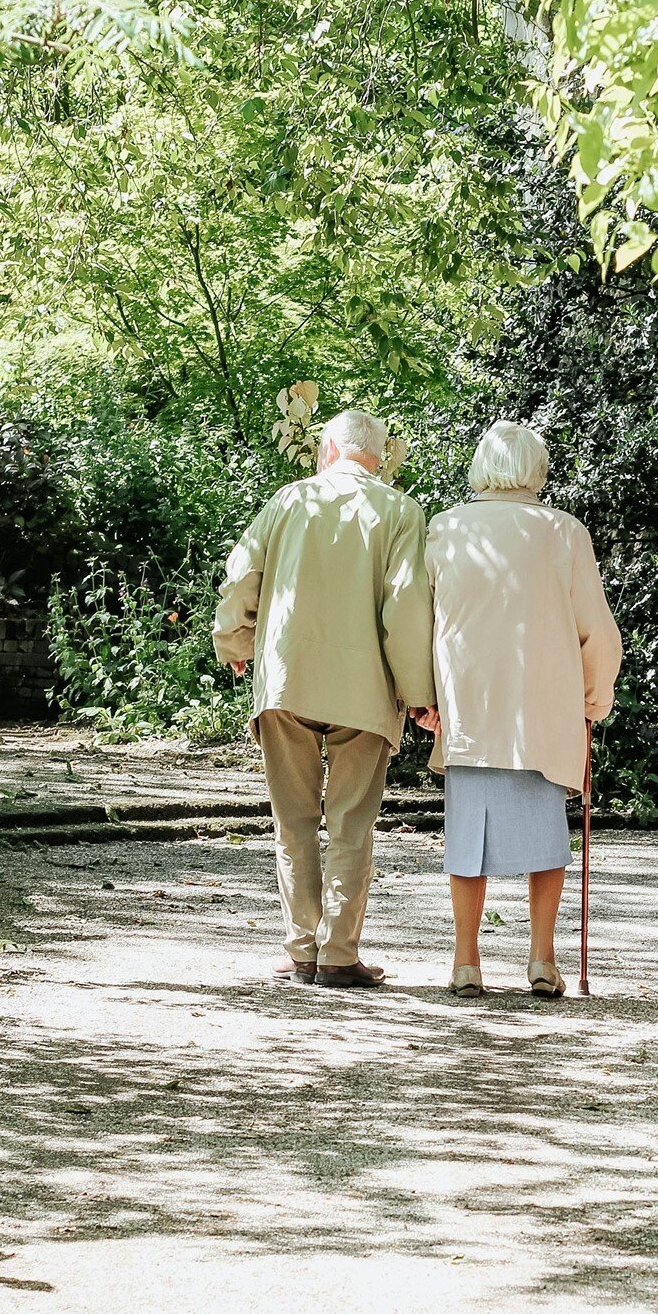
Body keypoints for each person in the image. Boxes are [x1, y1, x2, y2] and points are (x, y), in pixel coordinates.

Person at [213, 409, 435, 988]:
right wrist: (418, 693)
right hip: (365, 690)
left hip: (288, 679)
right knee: (351, 823)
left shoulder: (288, 501)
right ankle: (338, 954)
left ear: (329, 449)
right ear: (378, 457)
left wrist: (234, 639)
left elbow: (243, 576)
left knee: (293, 820)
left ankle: (301, 948)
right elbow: (406, 608)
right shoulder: (401, 512)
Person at [419, 421, 622, 999]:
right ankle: (541, 959)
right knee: (546, 839)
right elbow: (597, 631)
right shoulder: (563, 533)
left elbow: (420, 622)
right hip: (543, 707)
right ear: (538, 469)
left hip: (470, 706)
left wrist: (423, 698)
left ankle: (465, 962)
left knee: (466, 838)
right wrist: (592, 698)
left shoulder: (446, 528)